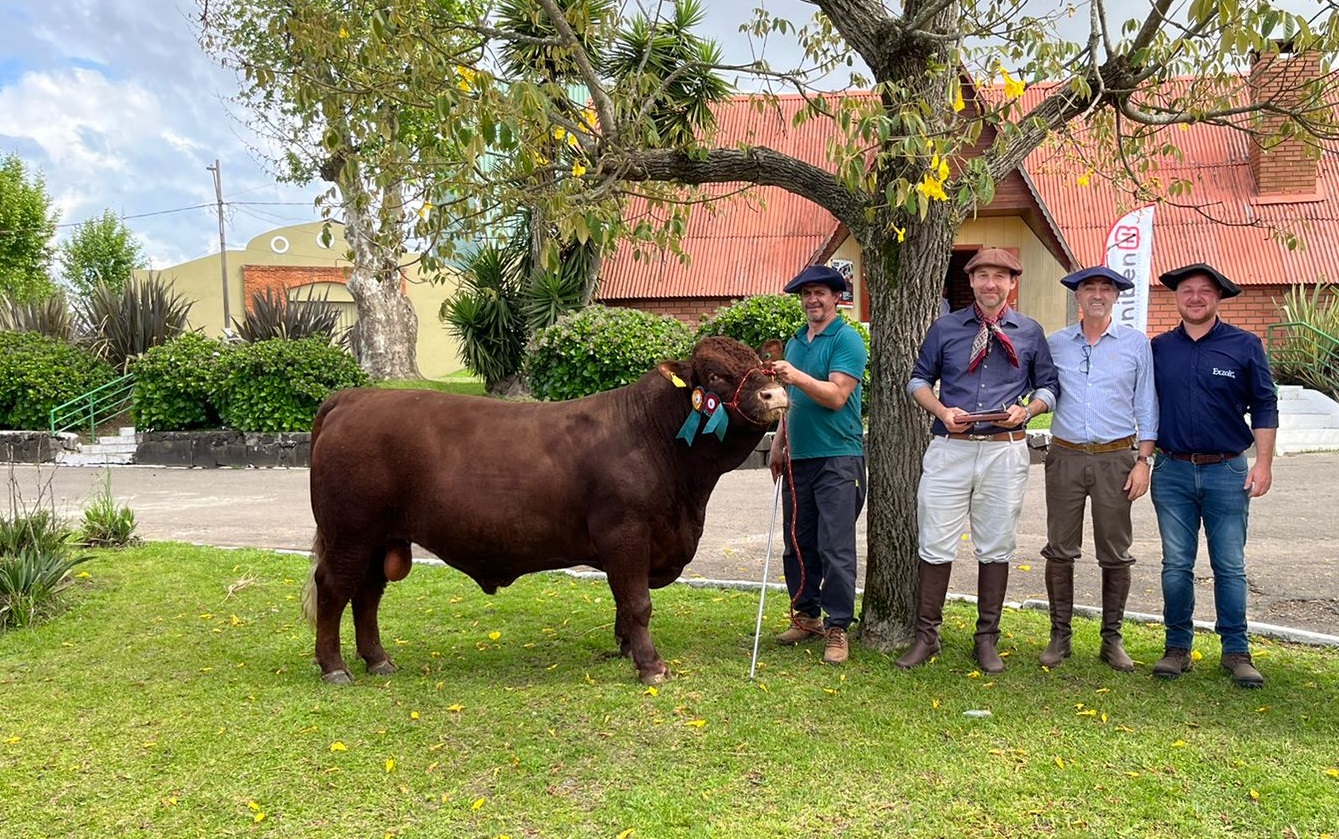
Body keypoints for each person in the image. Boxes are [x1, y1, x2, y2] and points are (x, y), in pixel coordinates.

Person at [897, 248, 1057, 673]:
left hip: (1005, 450)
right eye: (982, 275)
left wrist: (1028, 411)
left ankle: (986, 639)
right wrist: (941, 411)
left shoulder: (1029, 331)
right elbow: (917, 379)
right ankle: (926, 636)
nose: (990, 284)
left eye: (999, 277)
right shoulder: (946, 328)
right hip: (950, 448)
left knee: (997, 544)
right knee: (934, 541)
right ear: (970, 282)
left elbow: (1050, 386)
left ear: (1012, 284)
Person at [1149, 263, 1278, 688]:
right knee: (1176, 565)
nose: (1196, 297)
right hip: (1172, 471)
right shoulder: (1159, 348)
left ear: (1218, 297)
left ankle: (1236, 652)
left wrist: (1264, 463)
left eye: (1206, 291)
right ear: (1177, 297)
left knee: (1230, 566)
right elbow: (1143, 405)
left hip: (1227, 470)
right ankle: (1177, 649)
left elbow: (1264, 405)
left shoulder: (1244, 346)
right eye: (1188, 290)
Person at [1039, 266, 1158, 672]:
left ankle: (1112, 639)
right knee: (1059, 548)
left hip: (1117, 457)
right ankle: (1060, 636)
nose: (1098, 295)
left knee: (1115, 550)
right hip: (1066, 455)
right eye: (1090, 288)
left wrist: (1143, 461)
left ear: (1116, 297)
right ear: (1078, 296)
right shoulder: (1055, 344)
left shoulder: (1136, 345)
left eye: (1106, 288)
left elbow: (1146, 405)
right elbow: (1041, 389)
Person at [768, 264, 868, 665]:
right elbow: (789, 403)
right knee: (798, 543)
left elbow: (836, 395)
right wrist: (778, 443)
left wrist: (796, 375)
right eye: (807, 293)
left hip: (838, 458)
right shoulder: (795, 343)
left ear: (836, 298)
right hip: (798, 457)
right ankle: (806, 615)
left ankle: (838, 626)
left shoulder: (848, 339)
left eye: (820, 293)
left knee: (835, 546)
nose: (813, 300)